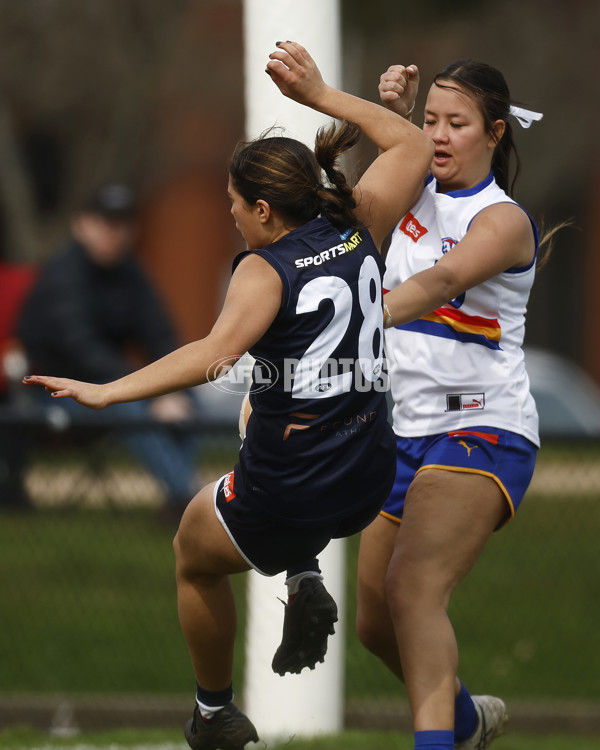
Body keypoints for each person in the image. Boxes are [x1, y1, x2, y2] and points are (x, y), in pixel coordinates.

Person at [23, 42, 434, 750]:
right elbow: (409, 139)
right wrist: (320, 95)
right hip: (370, 473)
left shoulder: (264, 269)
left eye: (235, 206)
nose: (233, 218)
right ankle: (303, 570)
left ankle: (212, 715)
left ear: (267, 209)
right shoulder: (358, 218)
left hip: (297, 488)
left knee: (192, 548)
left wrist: (108, 391)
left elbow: (213, 355)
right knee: (259, 403)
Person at [352, 59, 551, 750]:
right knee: (376, 622)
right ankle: (466, 722)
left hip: (483, 425)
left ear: (494, 132)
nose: (438, 136)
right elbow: (350, 215)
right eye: (429, 121)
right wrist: (391, 125)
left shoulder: (503, 221)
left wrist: (358, 316)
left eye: (456, 124)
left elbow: (440, 280)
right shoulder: (413, 189)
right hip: (404, 431)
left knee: (413, 588)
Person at [17, 184, 200, 520]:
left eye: (122, 224)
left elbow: (160, 336)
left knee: (188, 396)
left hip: (107, 388)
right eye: (105, 223)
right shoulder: (63, 274)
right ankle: (187, 503)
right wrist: (144, 389)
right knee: (134, 407)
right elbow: (81, 349)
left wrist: (173, 385)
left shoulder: (131, 272)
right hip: (52, 395)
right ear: (81, 225)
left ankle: (184, 501)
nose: (113, 233)